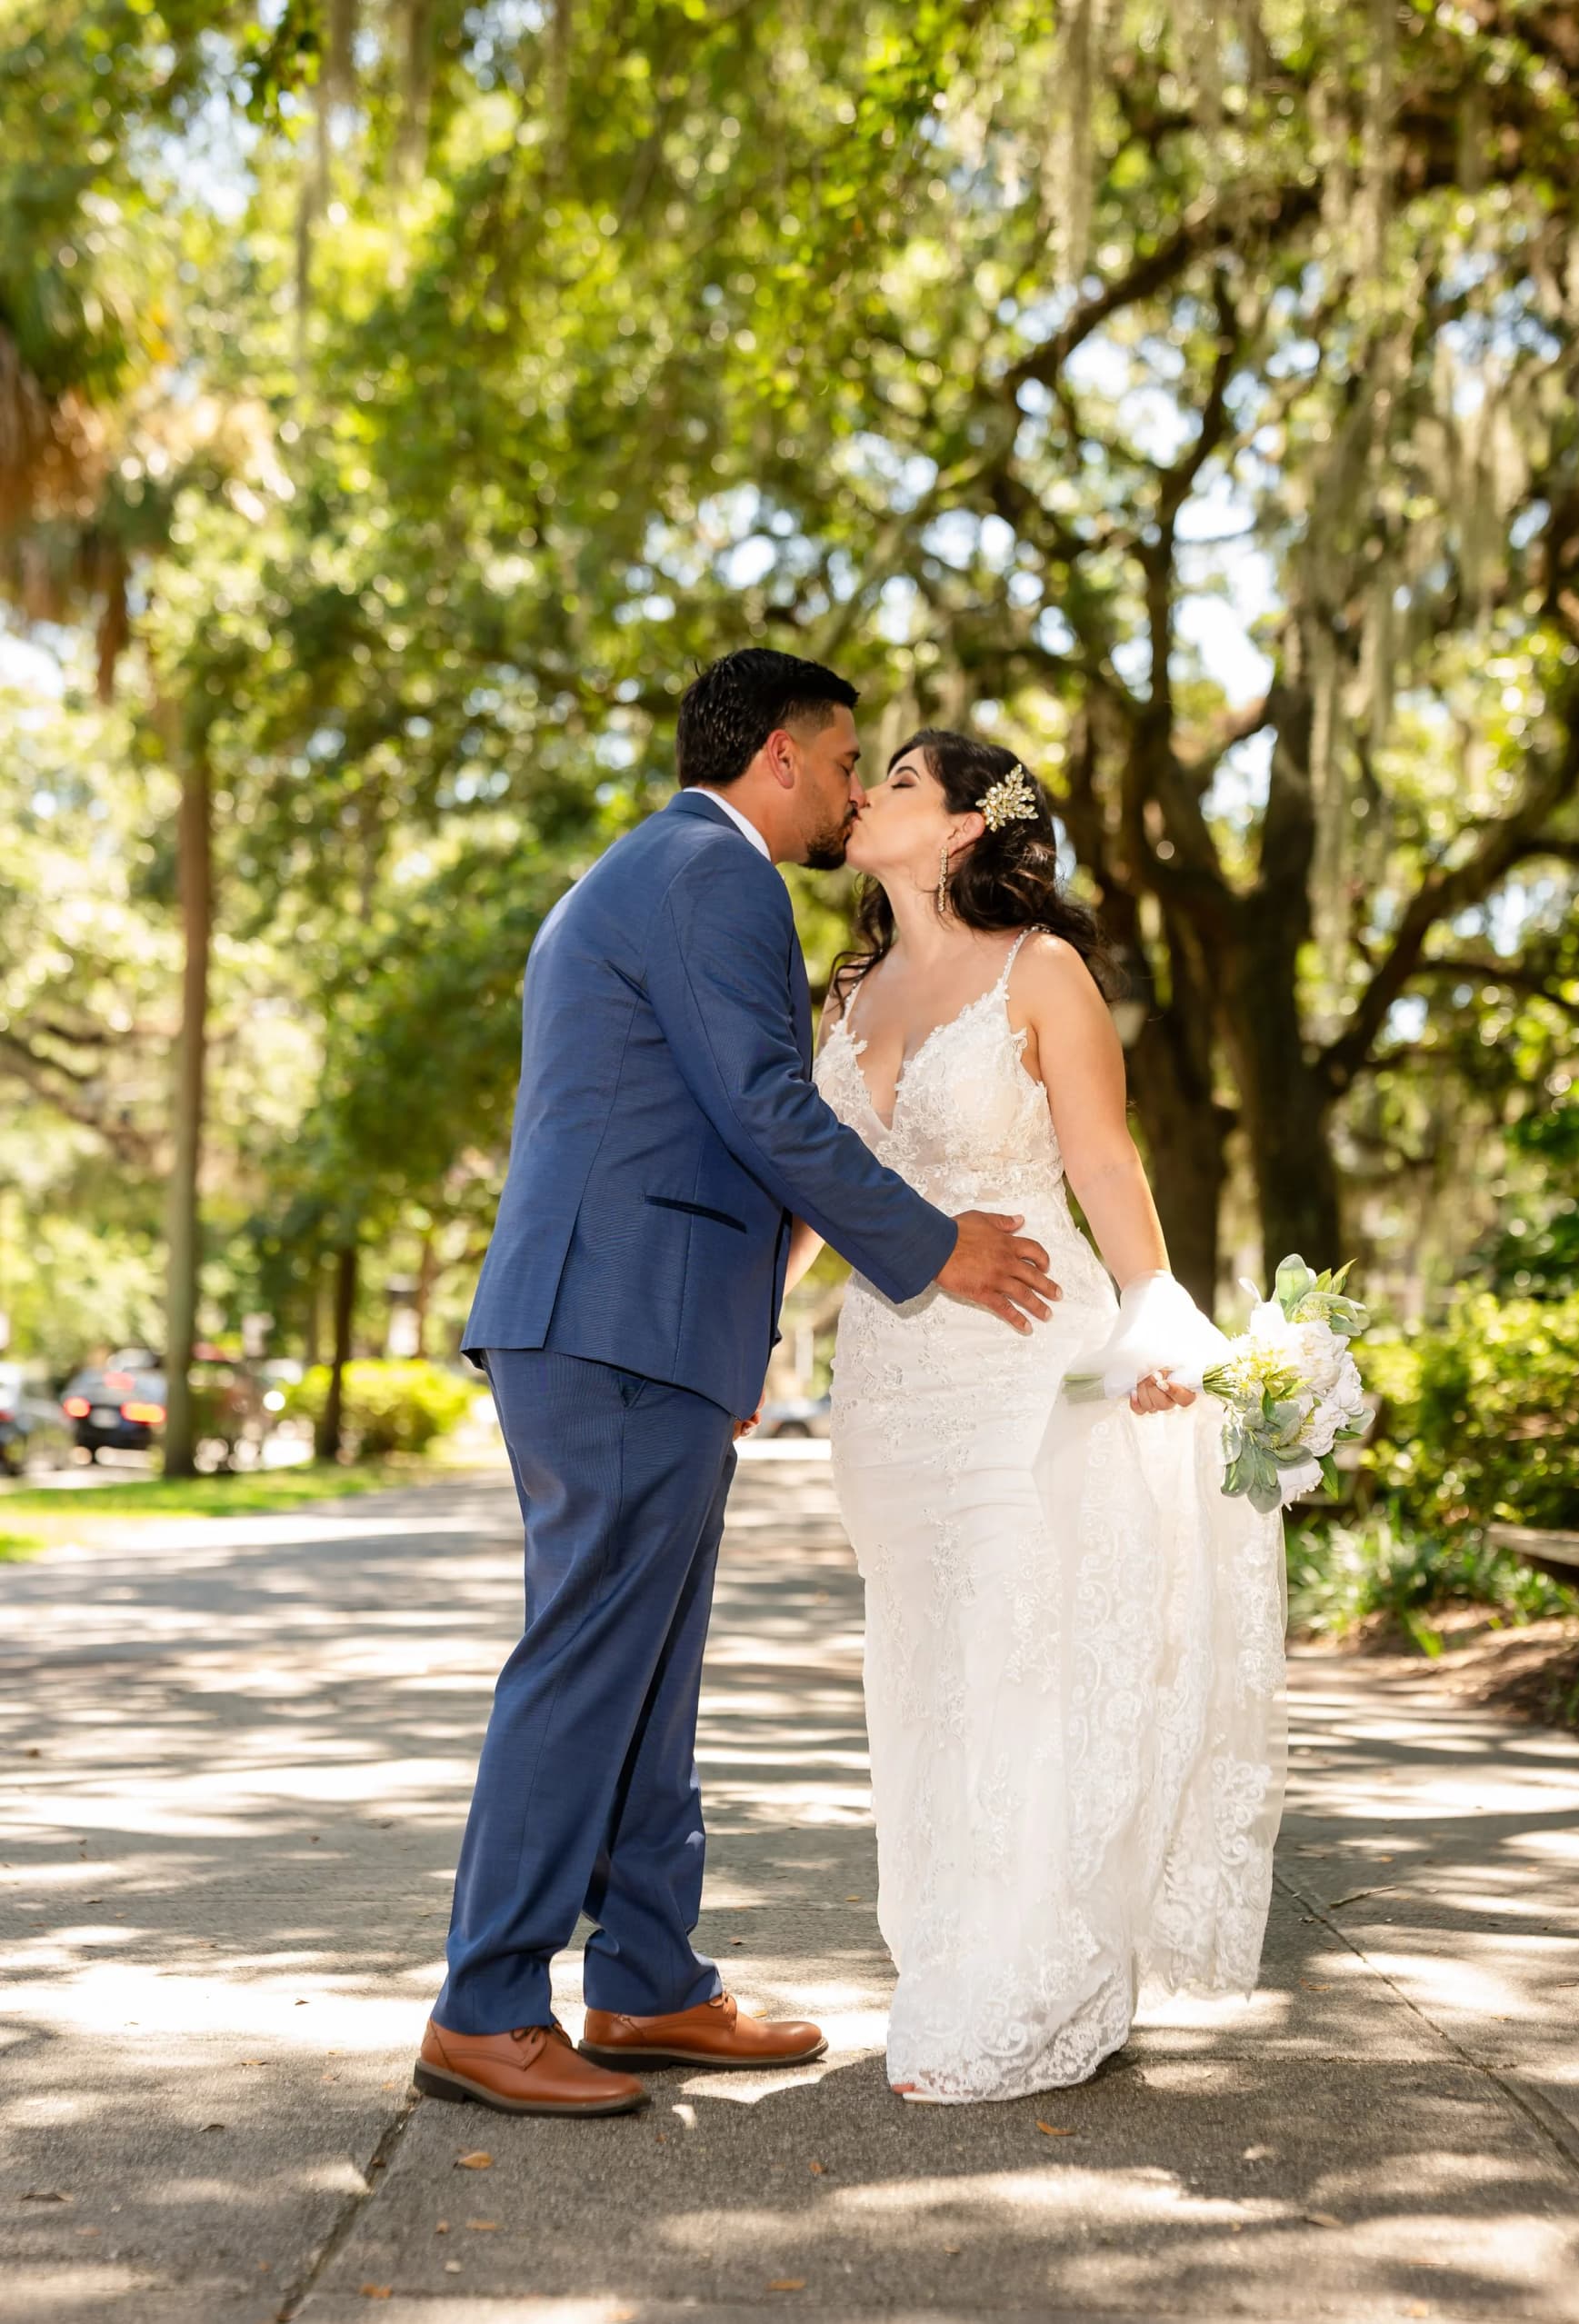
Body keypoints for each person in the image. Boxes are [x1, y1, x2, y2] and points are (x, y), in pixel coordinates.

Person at [415, 654, 1058, 2120]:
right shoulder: (715, 874)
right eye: (843, 764)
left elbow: (702, 1121)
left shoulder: (657, 869)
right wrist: (938, 1245)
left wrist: (737, 1330)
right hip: (614, 1322)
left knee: (645, 1668)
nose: (851, 791)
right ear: (779, 753)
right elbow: (765, 1112)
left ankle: (647, 1977)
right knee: (590, 1659)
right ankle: (485, 2005)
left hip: (641, 1324)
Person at [797, 727, 1289, 2105]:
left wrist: (1155, 1321)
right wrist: (748, 1332)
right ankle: (948, 1952)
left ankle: (1032, 1982)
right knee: (923, 1672)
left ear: (964, 827)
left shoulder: (1044, 970)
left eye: (898, 779)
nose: (863, 792)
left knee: (1021, 1663)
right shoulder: (848, 990)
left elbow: (1103, 1160)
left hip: (1022, 1363)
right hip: (886, 1386)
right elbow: (812, 1184)